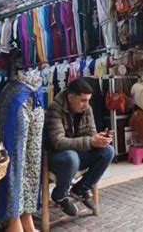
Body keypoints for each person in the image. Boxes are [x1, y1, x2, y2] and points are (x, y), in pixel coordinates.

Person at [45, 78, 115, 216]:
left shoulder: (87, 108)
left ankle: (81, 189)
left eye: (88, 100)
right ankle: (60, 195)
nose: (86, 105)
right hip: (59, 158)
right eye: (83, 100)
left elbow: (91, 133)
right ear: (71, 97)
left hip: (78, 154)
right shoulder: (55, 109)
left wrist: (100, 139)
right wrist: (90, 141)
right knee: (72, 157)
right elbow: (58, 143)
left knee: (108, 151)